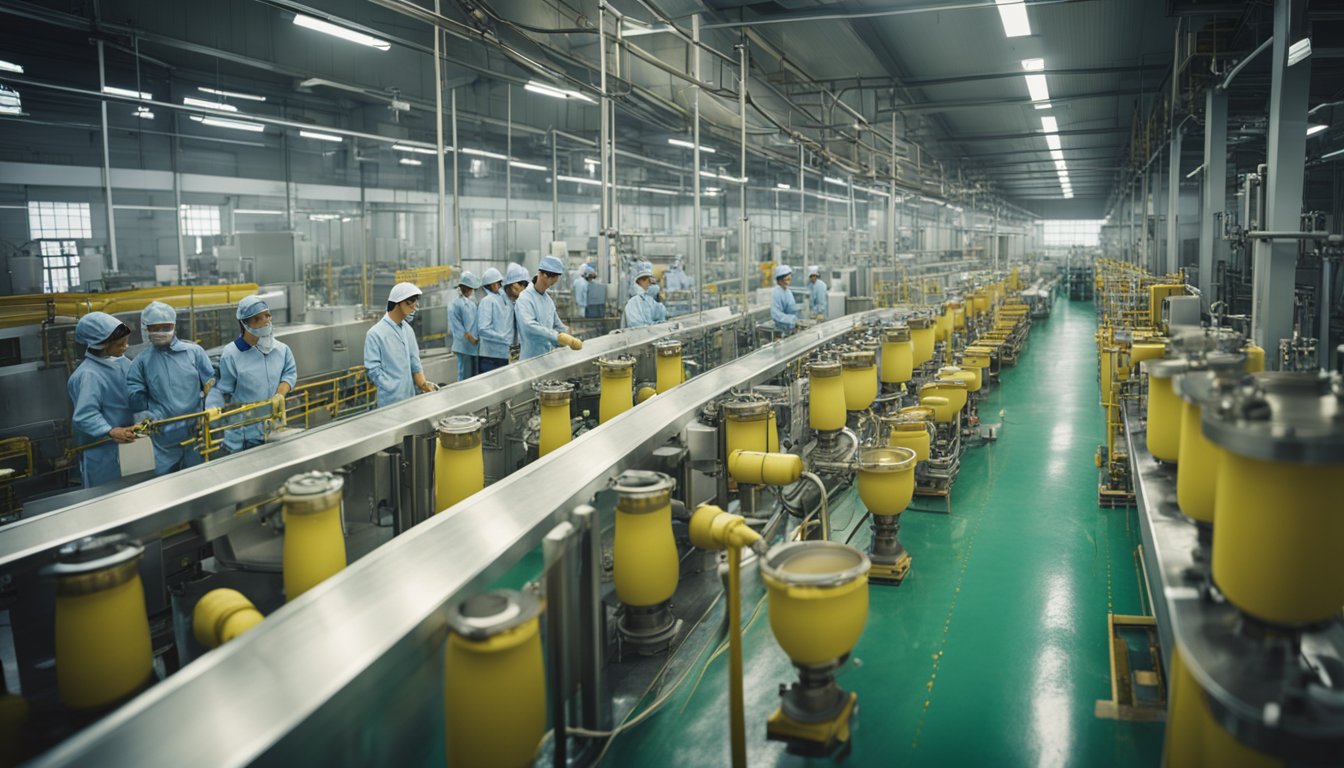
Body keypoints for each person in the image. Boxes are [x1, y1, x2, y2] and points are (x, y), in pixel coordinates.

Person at [127, 301, 216, 475]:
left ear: (174, 326)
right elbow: (135, 396)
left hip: (196, 428)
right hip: (163, 435)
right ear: (146, 329)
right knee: (166, 485)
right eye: (155, 328)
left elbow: (210, 382)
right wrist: (146, 415)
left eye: (165, 327)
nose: (161, 332)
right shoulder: (141, 362)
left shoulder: (194, 352)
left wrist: (210, 408)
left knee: (200, 477)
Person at [206, 295, 297, 454]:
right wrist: (213, 407)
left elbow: (289, 374)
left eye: (267, 315)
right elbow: (222, 390)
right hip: (244, 434)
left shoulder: (282, 350)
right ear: (244, 323)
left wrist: (280, 395)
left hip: (274, 427)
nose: (265, 321)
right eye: (257, 319)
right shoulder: (232, 354)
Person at [67, 311, 139, 488]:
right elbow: (85, 415)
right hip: (103, 453)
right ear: (101, 345)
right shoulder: (88, 375)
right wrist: (111, 431)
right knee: (108, 500)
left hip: (130, 444)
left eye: (126, 342)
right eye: (119, 344)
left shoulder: (120, 362)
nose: (125, 347)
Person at [363, 282, 436, 407]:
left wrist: (424, 385)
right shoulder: (375, 334)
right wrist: (391, 386)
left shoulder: (407, 330)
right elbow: (373, 370)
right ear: (398, 303)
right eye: (411, 302)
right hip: (389, 401)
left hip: (410, 397)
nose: (415, 307)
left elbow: (415, 363)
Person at [516, 255, 583, 359]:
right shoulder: (525, 298)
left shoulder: (547, 300)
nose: (555, 282)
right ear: (545, 275)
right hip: (530, 359)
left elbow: (557, 324)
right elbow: (529, 326)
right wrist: (557, 336)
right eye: (554, 279)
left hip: (546, 357)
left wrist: (569, 336)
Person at [476, 267, 512, 373]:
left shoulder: (501, 297)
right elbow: (483, 329)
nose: (500, 286)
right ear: (492, 284)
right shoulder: (486, 301)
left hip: (503, 353)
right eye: (498, 283)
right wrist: (503, 338)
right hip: (490, 356)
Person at [450, 272, 481, 382]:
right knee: (463, 375)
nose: (472, 291)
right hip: (464, 345)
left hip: (473, 346)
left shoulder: (471, 304)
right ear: (467, 288)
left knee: (472, 376)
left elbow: (475, 321)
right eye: (471, 289)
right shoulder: (456, 304)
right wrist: (468, 337)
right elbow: (457, 326)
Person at [623, 264, 666, 328]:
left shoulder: (651, 301)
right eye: (649, 280)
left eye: (653, 281)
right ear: (640, 281)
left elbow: (661, 318)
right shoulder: (633, 303)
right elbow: (636, 325)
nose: (651, 284)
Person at [771, 264, 799, 332]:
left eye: (790, 278)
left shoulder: (787, 291)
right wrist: (791, 319)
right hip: (781, 329)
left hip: (790, 327)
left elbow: (791, 308)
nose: (788, 281)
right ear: (780, 280)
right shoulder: (776, 292)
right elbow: (776, 315)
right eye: (787, 279)